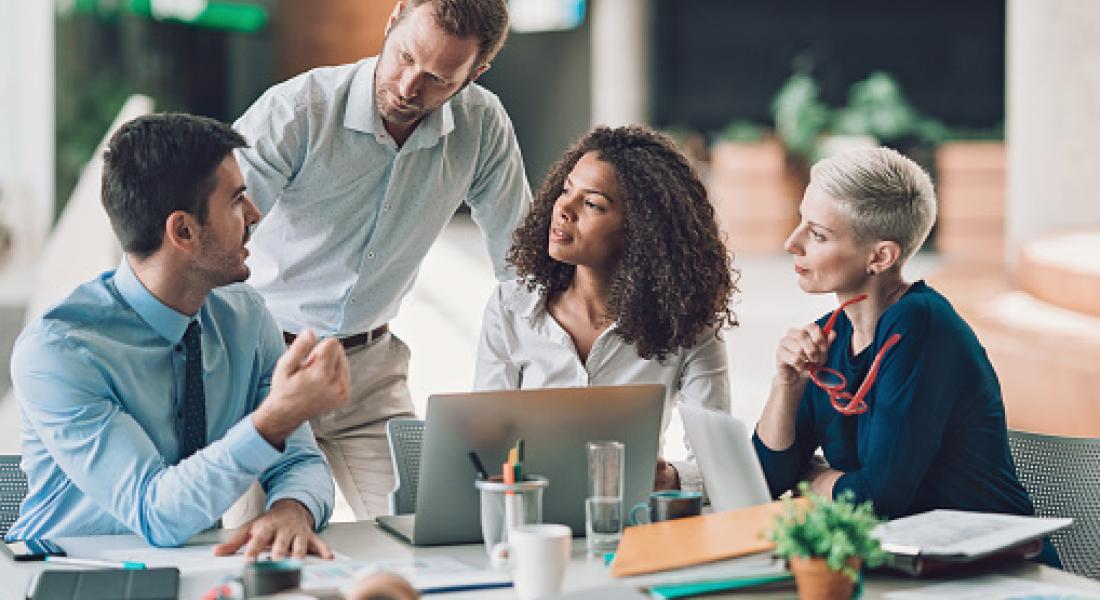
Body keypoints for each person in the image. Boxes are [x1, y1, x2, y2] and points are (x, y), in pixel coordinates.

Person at [233, 0, 531, 519]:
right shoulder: (298, 111)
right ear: (392, 20)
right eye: (405, 56)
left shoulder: (483, 126)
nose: (410, 86)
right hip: (262, 367)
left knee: (426, 534)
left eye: (439, 78)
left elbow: (522, 266)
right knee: (255, 552)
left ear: (476, 73)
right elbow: (212, 236)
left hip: (370, 377)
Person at [6, 113, 347, 559]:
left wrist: (291, 509)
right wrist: (272, 421)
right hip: (65, 575)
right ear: (182, 231)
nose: (255, 215)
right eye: (237, 200)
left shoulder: (245, 317)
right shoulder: (59, 352)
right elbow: (155, 513)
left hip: (193, 568)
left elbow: (301, 461)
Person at [753, 146, 1058, 564]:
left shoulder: (922, 325)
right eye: (800, 222)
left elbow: (879, 498)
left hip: (997, 574)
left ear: (880, 256)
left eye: (818, 234)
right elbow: (767, 480)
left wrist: (814, 477)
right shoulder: (832, 334)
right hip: (906, 568)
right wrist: (786, 386)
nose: (792, 243)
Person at [475, 125, 737, 492]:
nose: (563, 208)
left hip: (628, 523)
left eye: (592, 203)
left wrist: (672, 478)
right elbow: (483, 446)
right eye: (566, 190)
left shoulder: (689, 324)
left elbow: (720, 461)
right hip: (529, 520)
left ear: (640, 231)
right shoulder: (510, 307)